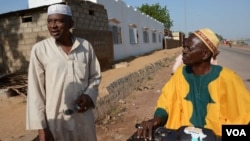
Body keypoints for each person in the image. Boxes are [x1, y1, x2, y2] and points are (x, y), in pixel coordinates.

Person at [136, 28, 250, 140]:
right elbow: (165, 102)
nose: (184, 51)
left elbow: (245, 117)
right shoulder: (180, 74)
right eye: (184, 46)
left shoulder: (229, 78)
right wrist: (157, 119)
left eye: (189, 48)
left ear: (205, 54)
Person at [26, 4, 102, 141]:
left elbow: (95, 76)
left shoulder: (85, 46)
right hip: (55, 122)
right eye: (50, 21)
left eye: (59, 21)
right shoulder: (40, 50)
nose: (53, 25)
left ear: (71, 23)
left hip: (83, 119)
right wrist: (42, 129)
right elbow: (35, 91)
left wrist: (89, 95)